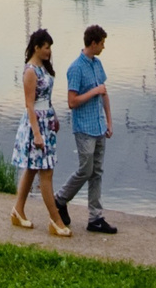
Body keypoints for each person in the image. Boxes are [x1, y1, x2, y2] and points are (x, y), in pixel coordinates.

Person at [55, 24, 117, 234]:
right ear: (93, 43)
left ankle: (95, 217)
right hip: (84, 128)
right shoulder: (75, 68)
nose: (103, 47)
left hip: (99, 126)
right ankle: (60, 199)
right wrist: (94, 91)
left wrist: (109, 121)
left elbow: (104, 94)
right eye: (102, 43)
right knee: (85, 170)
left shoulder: (97, 64)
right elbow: (72, 102)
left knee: (97, 172)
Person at [10, 27, 68, 236]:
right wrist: (36, 134)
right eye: (46, 47)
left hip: (47, 121)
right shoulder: (30, 72)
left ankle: (18, 210)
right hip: (36, 124)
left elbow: (46, 99)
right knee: (46, 171)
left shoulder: (43, 68)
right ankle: (56, 220)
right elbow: (30, 104)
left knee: (33, 168)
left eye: (50, 47)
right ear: (36, 48)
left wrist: (55, 117)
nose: (49, 51)